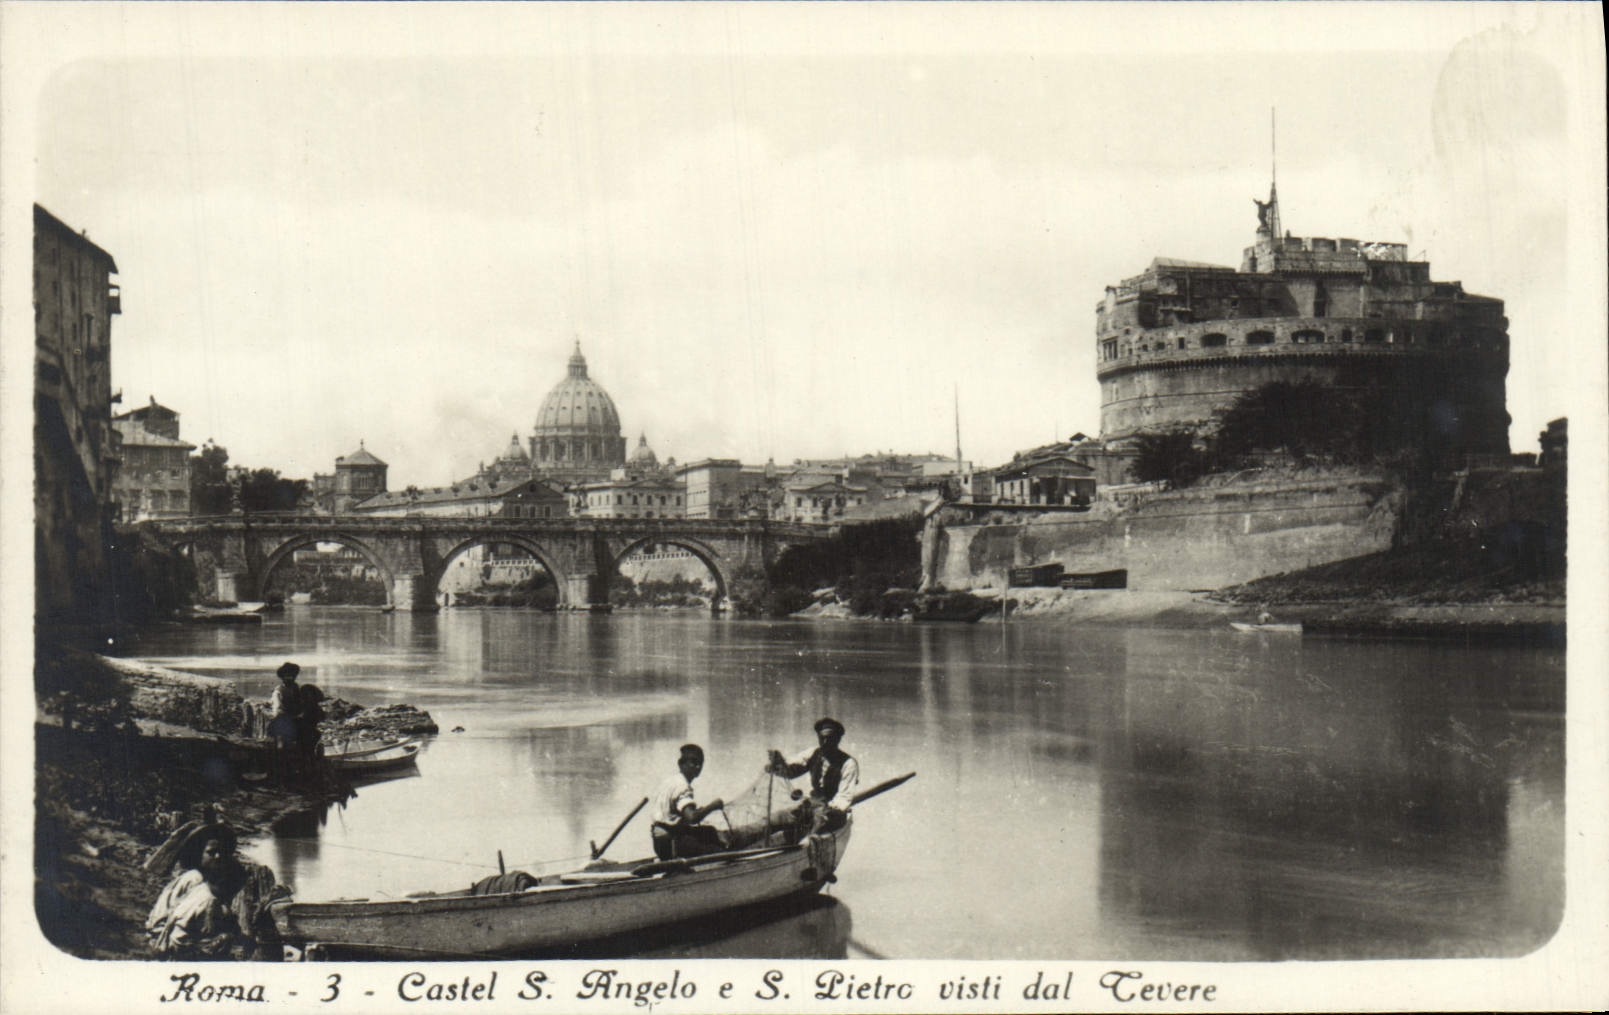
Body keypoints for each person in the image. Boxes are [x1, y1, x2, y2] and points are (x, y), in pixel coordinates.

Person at [146, 819, 285, 960]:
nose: (218, 856)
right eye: (211, 852)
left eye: (221, 852)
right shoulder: (193, 879)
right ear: (199, 853)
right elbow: (172, 919)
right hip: (173, 941)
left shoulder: (215, 878)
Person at [767, 717, 859, 836]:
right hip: (813, 805)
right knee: (776, 819)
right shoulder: (813, 753)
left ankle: (805, 839)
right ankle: (742, 837)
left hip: (833, 813)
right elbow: (791, 772)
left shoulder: (848, 764)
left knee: (810, 832)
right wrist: (779, 764)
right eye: (822, 738)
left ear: (838, 739)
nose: (825, 742)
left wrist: (825, 812)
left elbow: (844, 798)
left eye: (829, 738)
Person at [649, 744, 726, 860]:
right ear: (681, 764)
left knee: (709, 831)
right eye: (693, 762)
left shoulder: (670, 781)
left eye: (700, 763)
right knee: (717, 851)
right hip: (671, 844)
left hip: (659, 842)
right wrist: (713, 806)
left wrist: (699, 810)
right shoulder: (682, 787)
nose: (698, 766)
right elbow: (692, 818)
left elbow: (675, 814)